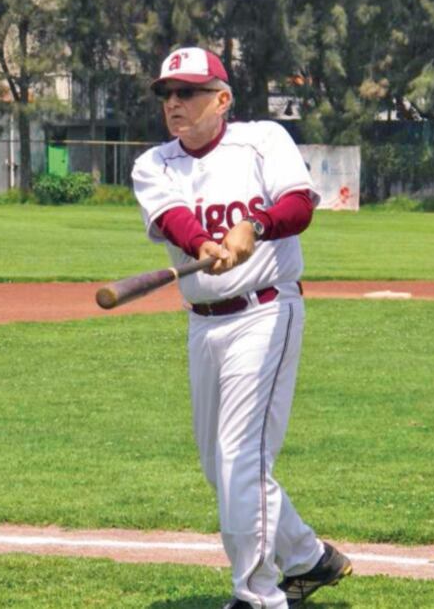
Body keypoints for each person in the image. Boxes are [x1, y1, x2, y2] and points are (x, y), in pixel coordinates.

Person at [131, 46, 352, 609]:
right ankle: (307, 558)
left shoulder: (262, 140)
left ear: (222, 99)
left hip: (266, 311)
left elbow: (300, 205)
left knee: (240, 459)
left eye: (188, 92)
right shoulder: (153, 163)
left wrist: (254, 224)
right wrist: (204, 243)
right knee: (220, 465)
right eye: (167, 94)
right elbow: (173, 218)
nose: (174, 103)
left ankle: (258, 595)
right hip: (203, 325)